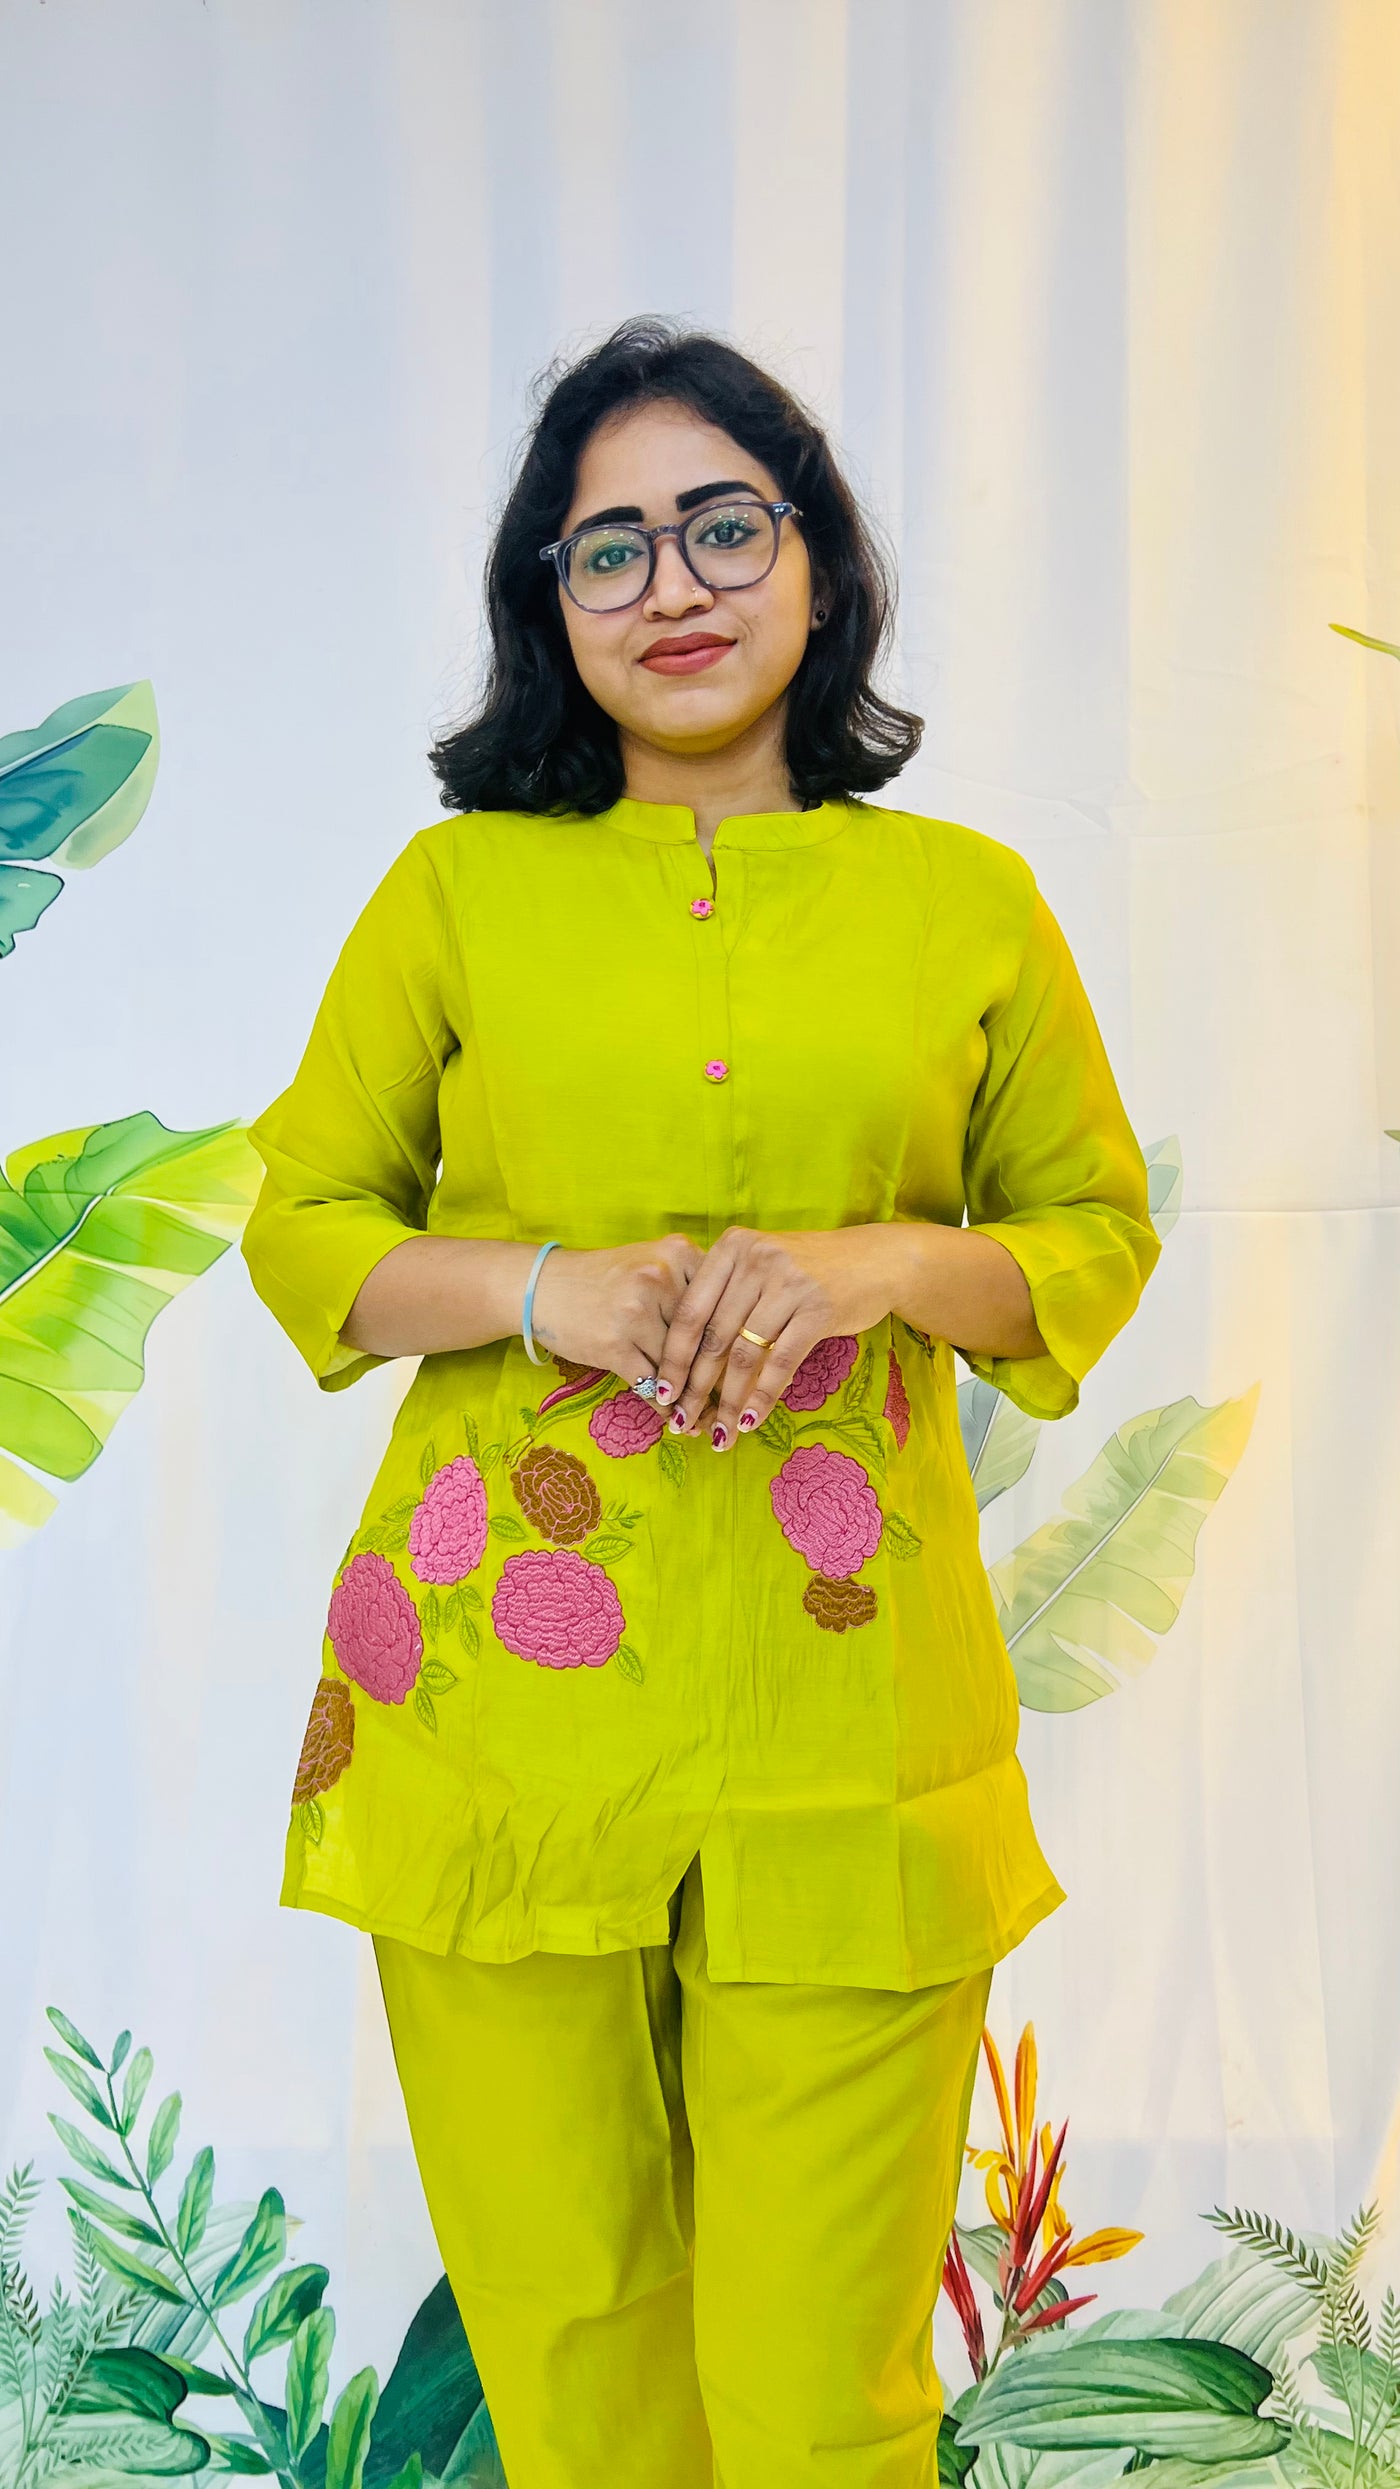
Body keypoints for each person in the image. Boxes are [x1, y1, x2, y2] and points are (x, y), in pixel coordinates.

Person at [241, 316, 1161, 2489]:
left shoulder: (965, 904)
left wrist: (879, 1261)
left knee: (825, 2397)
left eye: (724, 526)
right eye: (610, 547)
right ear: (549, 605)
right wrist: (541, 1288)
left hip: (846, 1733)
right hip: (501, 1730)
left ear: (818, 562)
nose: (673, 584)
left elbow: (1087, 1231)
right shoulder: (456, 891)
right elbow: (305, 1226)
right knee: (574, 2368)